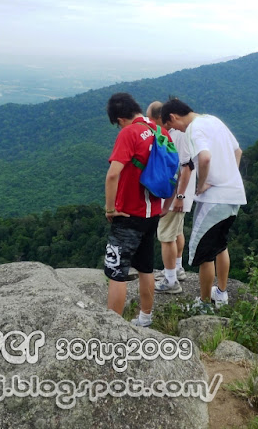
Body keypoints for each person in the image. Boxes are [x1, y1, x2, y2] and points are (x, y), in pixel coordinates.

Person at [160, 98, 246, 308]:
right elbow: (238, 151)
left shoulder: (193, 128)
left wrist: (203, 183)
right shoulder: (214, 120)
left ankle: (205, 303)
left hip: (214, 199)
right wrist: (229, 177)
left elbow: (205, 158)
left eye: (172, 126)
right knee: (220, 245)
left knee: (204, 252)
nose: (176, 131)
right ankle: (221, 294)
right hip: (234, 194)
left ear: (173, 117)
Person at [104, 92, 169, 327]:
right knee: (145, 268)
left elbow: (113, 174)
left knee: (117, 272)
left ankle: (113, 327)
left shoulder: (129, 133)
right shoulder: (159, 131)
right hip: (152, 213)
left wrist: (110, 209)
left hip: (129, 213)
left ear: (120, 119)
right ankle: (145, 318)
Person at [146, 101, 195, 294]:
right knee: (176, 232)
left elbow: (186, 166)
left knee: (166, 236)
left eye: (151, 119)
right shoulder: (173, 132)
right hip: (178, 194)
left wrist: (180, 196)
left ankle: (171, 281)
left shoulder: (179, 134)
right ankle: (177, 269)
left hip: (176, 195)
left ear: (160, 118)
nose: (150, 123)